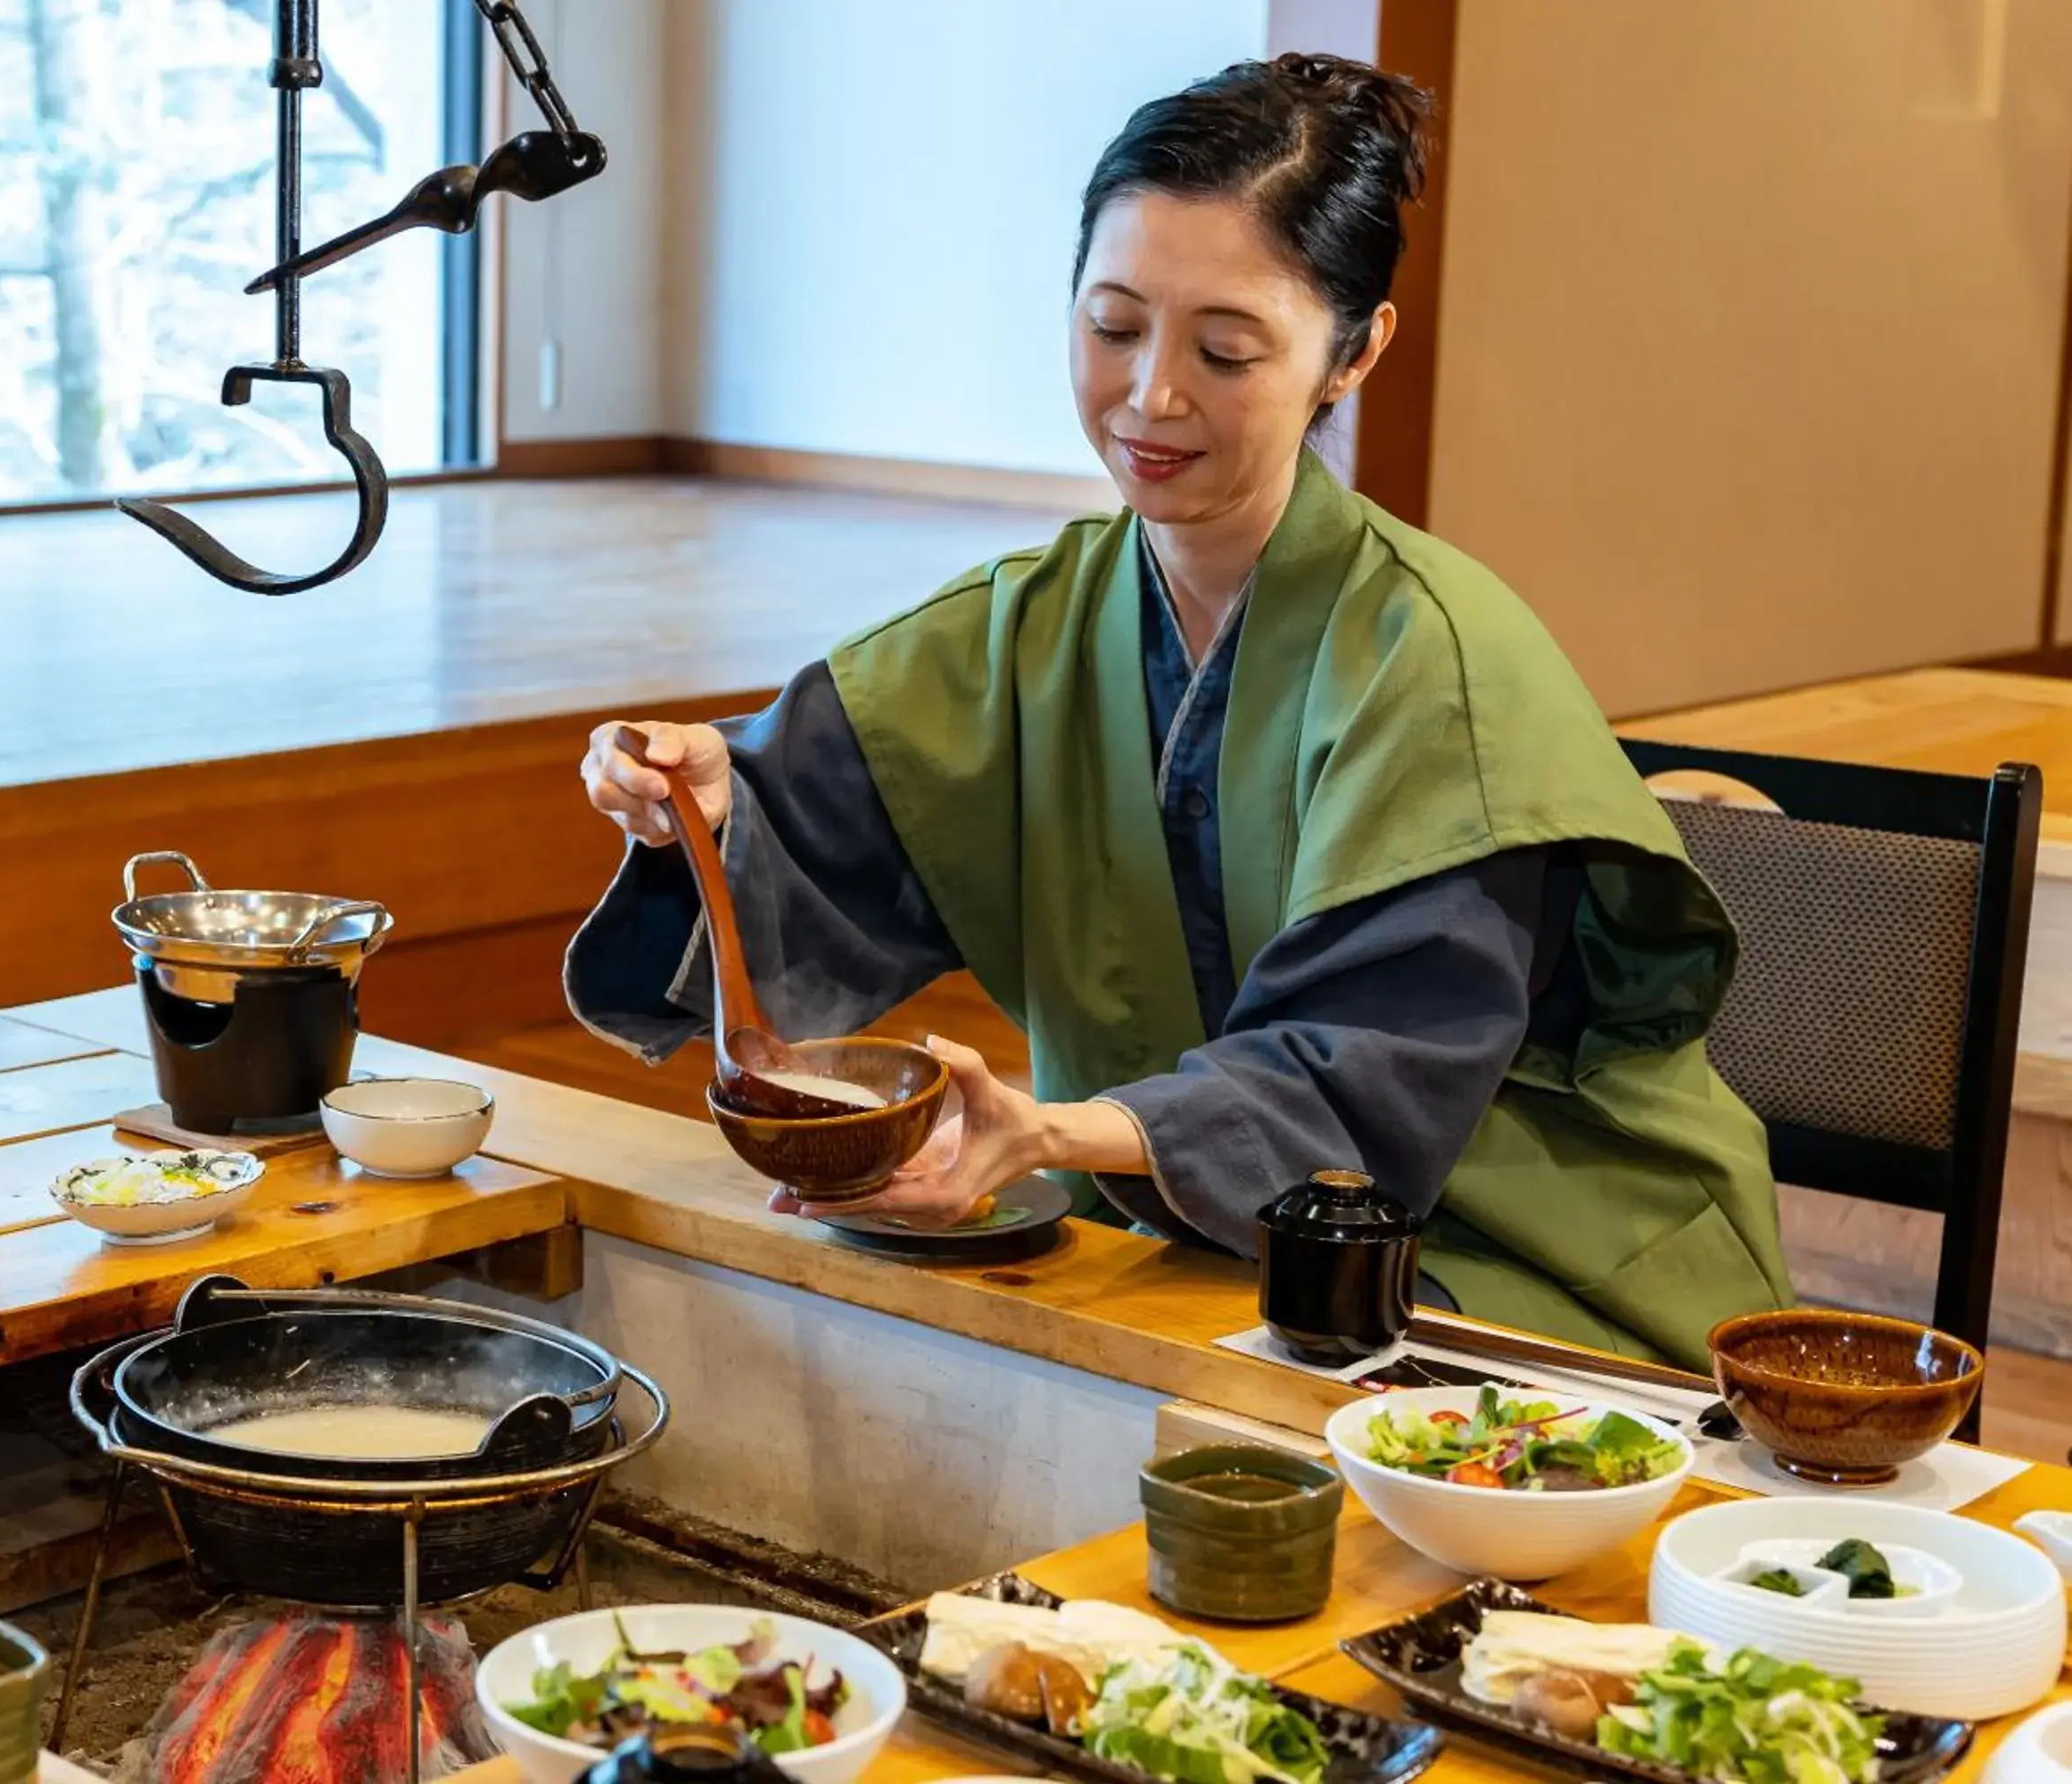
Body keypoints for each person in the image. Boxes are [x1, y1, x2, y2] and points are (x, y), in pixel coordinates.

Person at [565, 53, 1789, 1369]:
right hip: (1190, 1255)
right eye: (1112, 326)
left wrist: (1049, 1133)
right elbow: (810, 815)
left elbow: (1362, 1073)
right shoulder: (1033, 620)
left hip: (1506, 1280)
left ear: (1355, 350)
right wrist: (697, 797)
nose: (1151, 395)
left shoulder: (1432, 662)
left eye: (1224, 349)